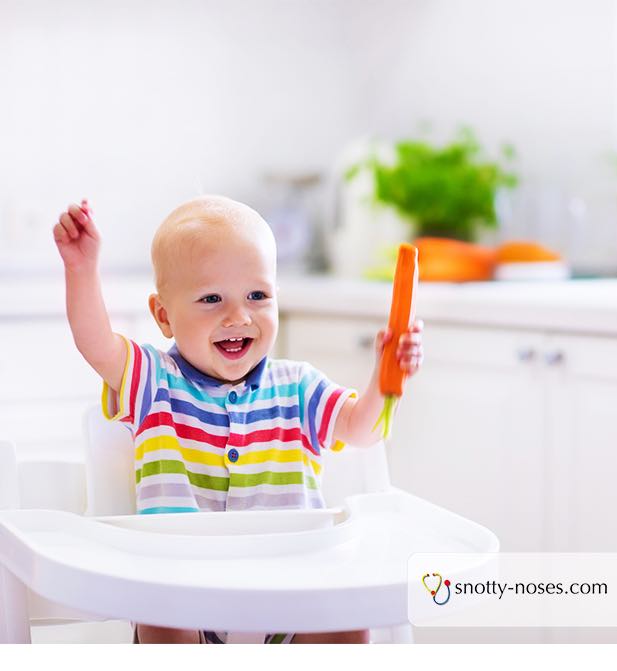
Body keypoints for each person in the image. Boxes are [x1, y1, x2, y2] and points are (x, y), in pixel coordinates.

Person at [53, 195, 423, 644]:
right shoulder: (152, 382)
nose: (238, 315)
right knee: (160, 619)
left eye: (257, 295)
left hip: (293, 592)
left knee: (345, 620)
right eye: (211, 298)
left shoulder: (300, 387)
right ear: (164, 316)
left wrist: (387, 379)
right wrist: (81, 269)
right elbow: (95, 342)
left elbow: (364, 429)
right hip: (180, 592)